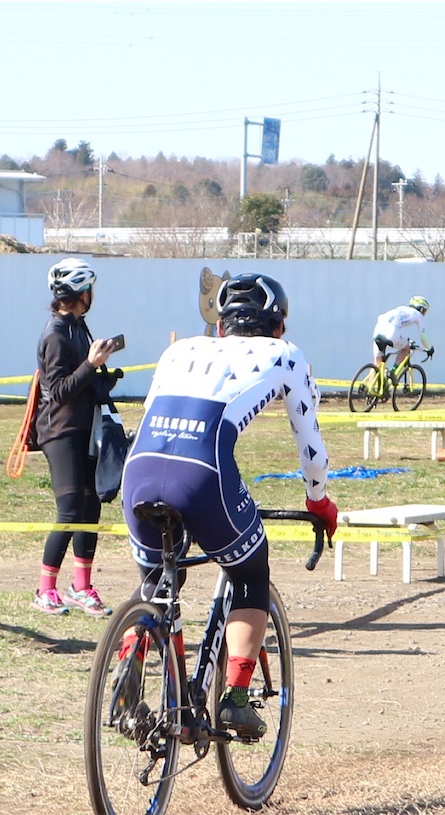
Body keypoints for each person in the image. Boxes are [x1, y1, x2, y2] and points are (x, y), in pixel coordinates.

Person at [119, 273, 338, 739]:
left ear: (220, 326)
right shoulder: (285, 354)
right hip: (204, 474)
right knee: (249, 572)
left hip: (139, 467)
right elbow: (312, 449)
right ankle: (236, 697)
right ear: (279, 325)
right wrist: (318, 502)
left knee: (161, 581)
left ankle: (136, 657)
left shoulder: (179, 351)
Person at [32, 258, 120, 616]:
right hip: (60, 431)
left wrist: (104, 375)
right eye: (90, 290)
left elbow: (80, 382)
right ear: (82, 293)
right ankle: (44, 589)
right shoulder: (55, 333)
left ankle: (81, 586)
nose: (92, 295)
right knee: (69, 510)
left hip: (84, 428)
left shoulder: (77, 326)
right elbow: (59, 390)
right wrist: (90, 365)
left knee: (90, 505)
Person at [371, 296, 434, 370]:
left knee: (377, 365)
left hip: (378, 328)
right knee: (406, 348)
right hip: (391, 331)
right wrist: (429, 348)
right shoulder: (418, 314)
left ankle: (371, 381)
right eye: (425, 311)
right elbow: (423, 336)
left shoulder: (402, 308)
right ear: (422, 309)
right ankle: (393, 371)